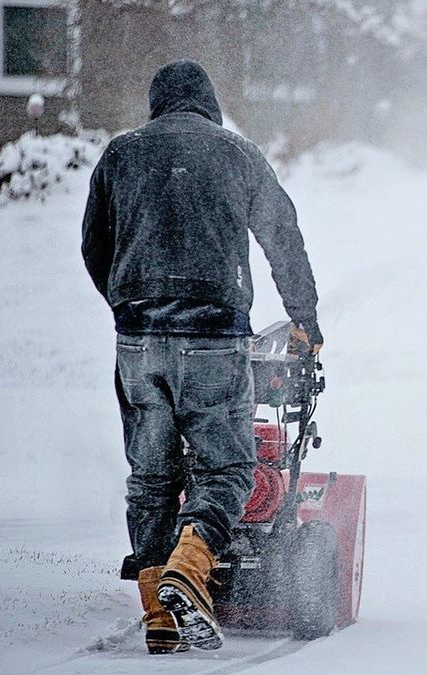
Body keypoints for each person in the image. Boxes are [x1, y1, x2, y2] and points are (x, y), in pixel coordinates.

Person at [81, 60, 322, 653]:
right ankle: (188, 572)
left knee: (152, 477)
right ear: (208, 105)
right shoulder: (237, 154)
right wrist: (305, 320)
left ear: (157, 104)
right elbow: (281, 233)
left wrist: (128, 302)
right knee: (227, 470)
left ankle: (157, 615)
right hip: (214, 335)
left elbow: (94, 245)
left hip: (138, 338)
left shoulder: (120, 154)